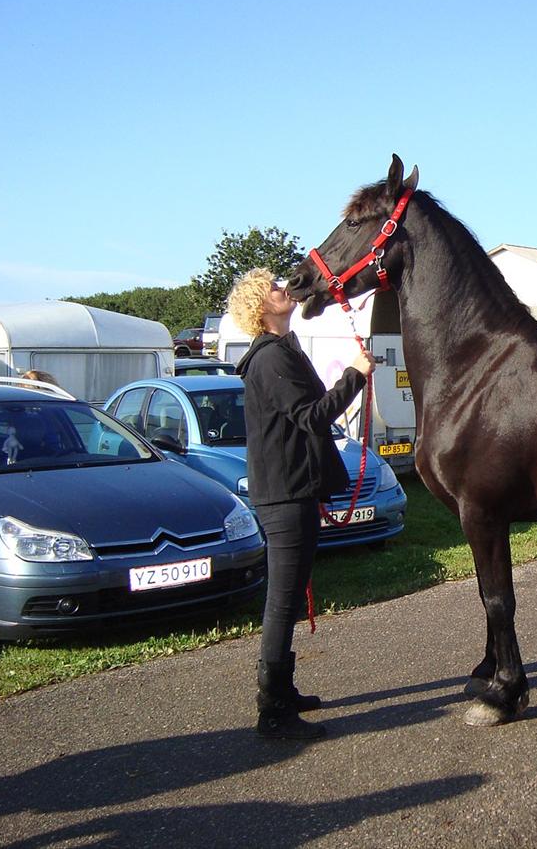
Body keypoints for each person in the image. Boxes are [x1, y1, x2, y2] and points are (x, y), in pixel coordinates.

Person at [228, 268, 376, 741]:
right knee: (282, 600)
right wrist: (355, 374)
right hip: (286, 493)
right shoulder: (271, 359)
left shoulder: (281, 353)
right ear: (260, 307)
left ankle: (283, 692)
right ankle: (272, 710)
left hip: (292, 490)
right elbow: (314, 417)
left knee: (287, 598)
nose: (282, 288)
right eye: (272, 288)